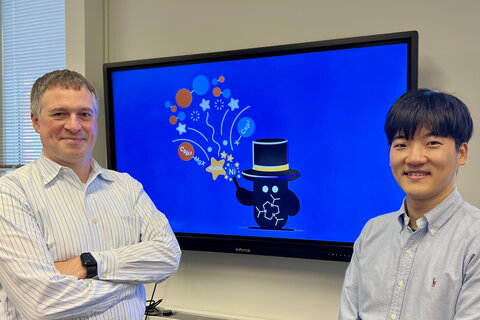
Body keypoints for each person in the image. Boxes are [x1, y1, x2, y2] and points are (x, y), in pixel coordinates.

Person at [0, 69, 181, 319]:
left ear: (94, 119)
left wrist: (90, 264)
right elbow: (41, 304)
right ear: (35, 121)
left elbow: (168, 255)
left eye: (84, 114)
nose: (74, 126)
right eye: (59, 114)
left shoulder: (127, 187)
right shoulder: (11, 193)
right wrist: (128, 284)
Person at [339, 89, 480, 320]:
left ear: (461, 153)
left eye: (432, 143)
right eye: (401, 144)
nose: (414, 158)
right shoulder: (372, 232)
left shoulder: (475, 239)